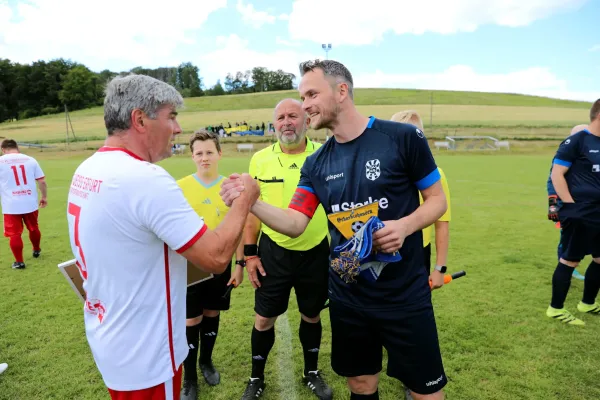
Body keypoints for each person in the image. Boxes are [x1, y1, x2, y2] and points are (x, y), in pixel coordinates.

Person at [221, 59, 448, 400]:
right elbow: (295, 223)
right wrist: (251, 200)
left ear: (342, 91)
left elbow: (437, 200)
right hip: (349, 298)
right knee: (360, 384)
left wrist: (404, 225)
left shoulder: (401, 137)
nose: (304, 104)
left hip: (405, 296)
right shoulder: (316, 164)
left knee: (425, 392)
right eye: (302, 96)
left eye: (312, 93)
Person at [66, 74, 258, 400]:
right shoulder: (145, 178)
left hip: (110, 332)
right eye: (171, 116)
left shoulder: (88, 168)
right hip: (146, 352)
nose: (178, 128)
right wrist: (245, 200)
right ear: (140, 119)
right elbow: (214, 256)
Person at [239, 98, 332, 400]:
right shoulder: (260, 160)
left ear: (306, 119)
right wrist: (250, 254)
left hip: (315, 252)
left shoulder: (325, 154)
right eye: (280, 117)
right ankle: (256, 378)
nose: (286, 122)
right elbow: (252, 210)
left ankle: (312, 372)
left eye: (293, 115)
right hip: (273, 253)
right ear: (273, 123)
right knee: (264, 318)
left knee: (312, 314)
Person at [177, 130, 245, 399]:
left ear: (219, 153)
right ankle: (190, 377)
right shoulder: (180, 186)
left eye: (209, 152)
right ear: (192, 156)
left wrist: (239, 264)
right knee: (191, 318)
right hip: (190, 265)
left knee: (212, 314)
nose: (204, 158)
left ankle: (206, 361)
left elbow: (238, 229)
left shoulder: (229, 187)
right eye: (198, 153)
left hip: (221, 263)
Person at [547, 99, 600, 326]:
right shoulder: (577, 140)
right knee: (570, 260)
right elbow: (556, 175)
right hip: (580, 212)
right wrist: (570, 206)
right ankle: (555, 309)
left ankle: (587, 303)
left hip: (599, 213)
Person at [390, 111, 450, 289]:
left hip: (419, 252)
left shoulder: (435, 175)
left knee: (415, 309)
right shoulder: (381, 173)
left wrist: (440, 268)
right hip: (385, 251)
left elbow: (442, 224)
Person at [547, 124, 589, 281]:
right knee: (568, 236)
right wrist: (553, 207)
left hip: (587, 204)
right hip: (566, 204)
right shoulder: (564, 155)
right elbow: (552, 182)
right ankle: (565, 267)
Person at [0, 139, 47, 269]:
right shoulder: (30, 160)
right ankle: (36, 249)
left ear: (3, 149)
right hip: (30, 202)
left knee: (14, 234)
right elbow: (42, 181)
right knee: (33, 227)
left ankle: (19, 262)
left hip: (11, 205)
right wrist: (44, 197)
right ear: (17, 148)